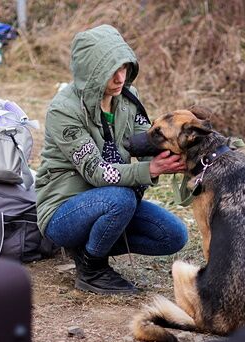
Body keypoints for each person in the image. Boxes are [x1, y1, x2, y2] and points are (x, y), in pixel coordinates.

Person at [36, 24, 188, 295]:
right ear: (91, 73)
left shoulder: (128, 97)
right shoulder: (64, 111)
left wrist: (185, 149)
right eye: (111, 71)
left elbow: (145, 141)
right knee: (121, 198)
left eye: (125, 68)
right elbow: (96, 171)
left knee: (173, 235)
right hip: (63, 211)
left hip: (109, 201)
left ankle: (89, 244)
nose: (120, 78)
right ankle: (91, 268)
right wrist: (149, 169)